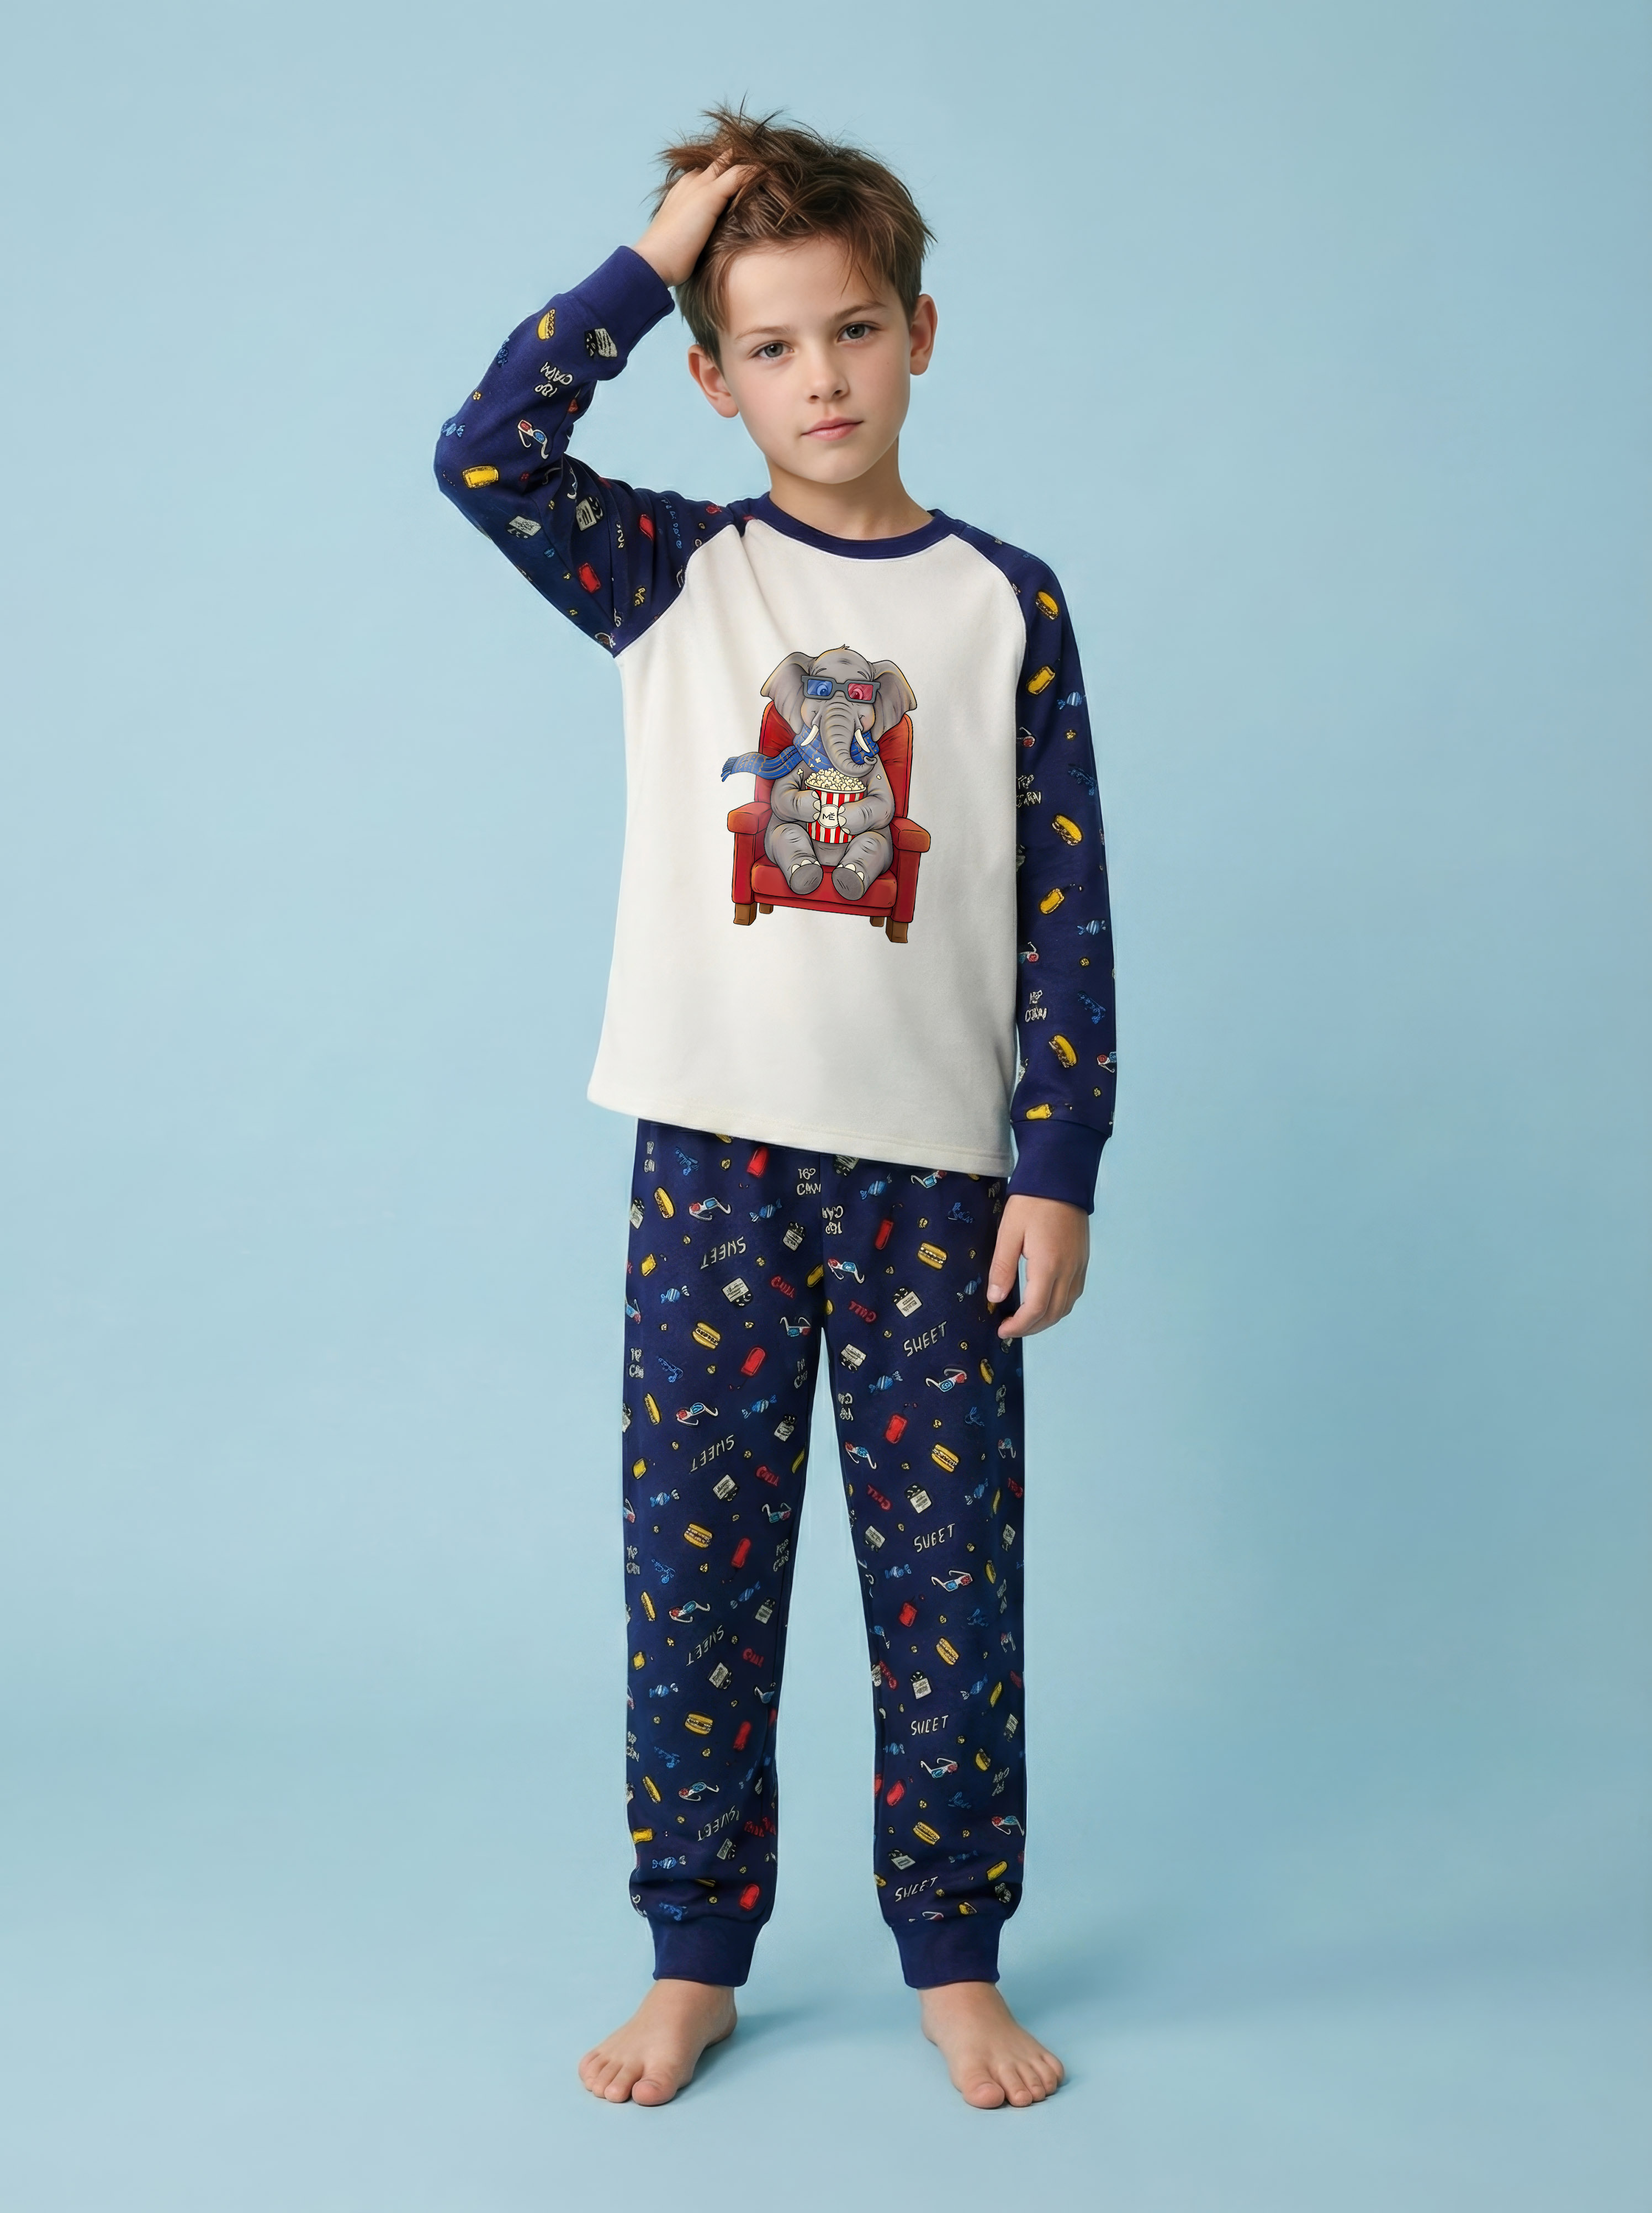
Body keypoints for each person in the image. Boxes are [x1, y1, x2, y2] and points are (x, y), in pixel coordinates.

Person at [433, 107, 1116, 2110]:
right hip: (711, 1168)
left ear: (921, 336)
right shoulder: (674, 572)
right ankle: (695, 1954)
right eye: (770, 345)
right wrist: (656, 261)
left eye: (855, 331)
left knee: (949, 1587)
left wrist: (1058, 1166)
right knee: (698, 1579)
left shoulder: (1008, 603)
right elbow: (484, 455)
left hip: (941, 1190)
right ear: (716, 378)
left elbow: (1066, 906)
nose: (822, 378)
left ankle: (955, 1958)